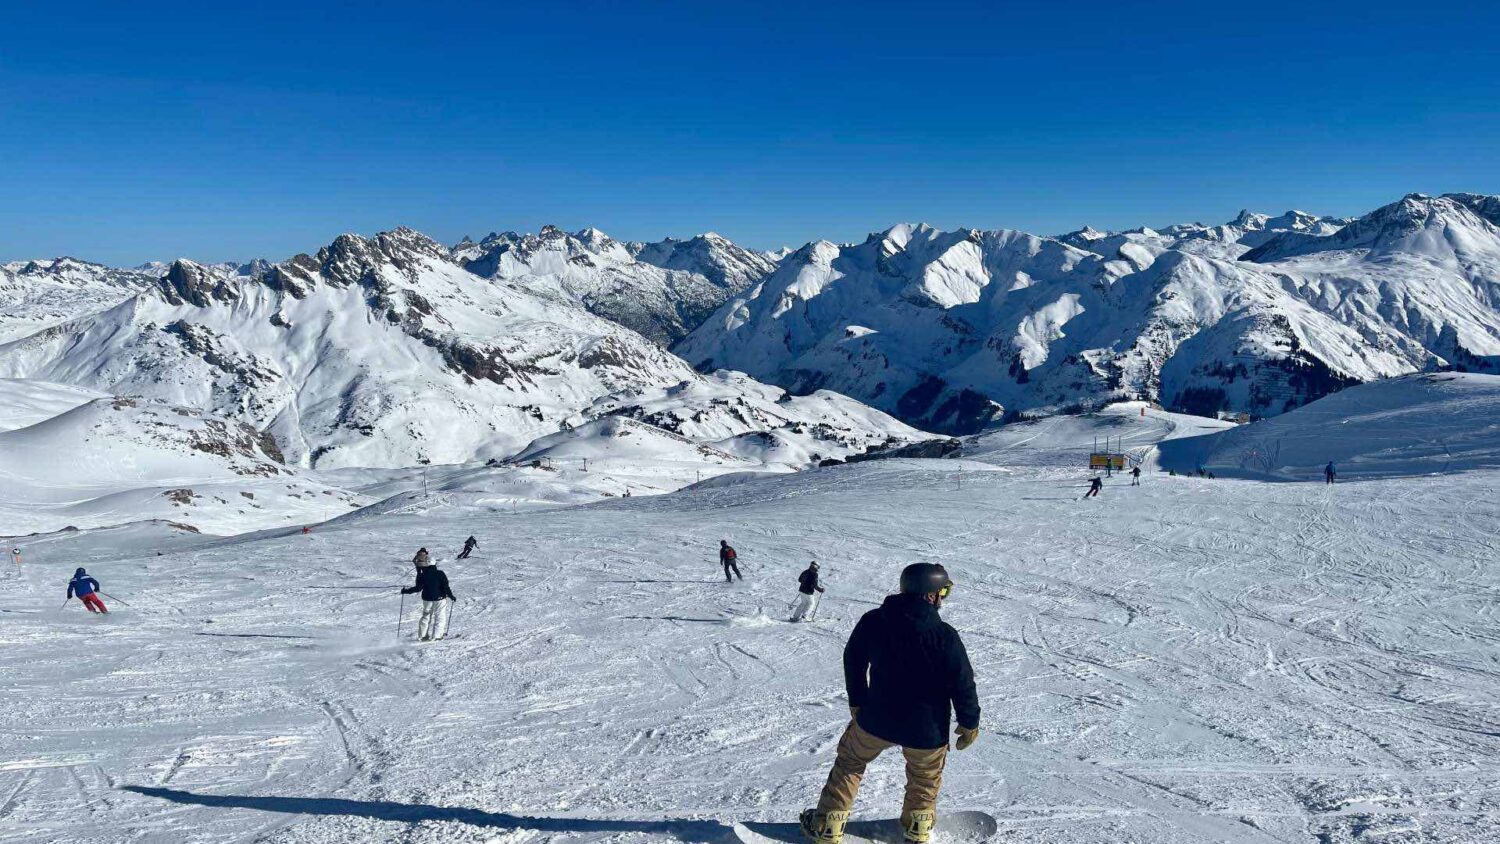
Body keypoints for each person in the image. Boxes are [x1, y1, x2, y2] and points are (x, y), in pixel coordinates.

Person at [801, 563, 979, 844]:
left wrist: (858, 700)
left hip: (876, 719)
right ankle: (919, 826)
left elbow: (854, 659)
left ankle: (829, 825)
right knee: (924, 777)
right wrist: (969, 722)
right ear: (930, 595)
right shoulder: (944, 635)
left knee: (850, 762)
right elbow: (962, 682)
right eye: (943, 590)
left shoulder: (874, 620)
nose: (944, 597)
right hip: (926, 729)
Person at [401, 555, 456, 641]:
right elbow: (446, 587)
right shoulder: (440, 574)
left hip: (427, 599)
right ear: (435, 564)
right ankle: (437, 636)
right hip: (440, 599)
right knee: (440, 617)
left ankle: (422, 636)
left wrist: (405, 591)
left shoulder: (423, 575)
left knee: (426, 617)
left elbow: (418, 588)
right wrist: (451, 596)